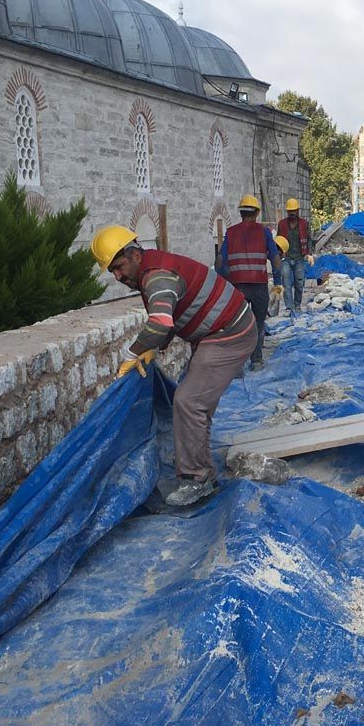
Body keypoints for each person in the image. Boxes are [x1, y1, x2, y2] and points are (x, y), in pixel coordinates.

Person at [90, 225, 257, 507]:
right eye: (112, 271)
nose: (117, 276)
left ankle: (197, 479)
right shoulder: (152, 269)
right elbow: (172, 314)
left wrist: (134, 352)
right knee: (195, 403)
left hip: (229, 333)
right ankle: (200, 466)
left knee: (188, 401)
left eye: (118, 267)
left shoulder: (157, 277)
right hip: (219, 332)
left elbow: (160, 322)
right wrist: (153, 348)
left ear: (133, 254)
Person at [217, 194, 281, 368]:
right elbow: (275, 257)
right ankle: (256, 360)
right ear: (257, 213)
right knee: (258, 324)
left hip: (238, 288)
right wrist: (278, 282)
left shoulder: (231, 232)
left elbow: (220, 260)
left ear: (241, 213)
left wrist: (224, 281)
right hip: (259, 286)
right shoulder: (264, 232)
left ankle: (237, 366)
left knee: (238, 327)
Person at [276, 198, 314, 315]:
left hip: (299, 257)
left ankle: (297, 305)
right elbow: (278, 240)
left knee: (299, 283)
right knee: (286, 283)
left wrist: (310, 254)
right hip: (286, 258)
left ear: (298, 210)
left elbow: (309, 239)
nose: (292, 213)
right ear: (287, 212)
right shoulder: (282, 224)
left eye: (294, 211)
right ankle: (289, 307)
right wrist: (278, 255)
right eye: (290, 211)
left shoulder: (304, 224)